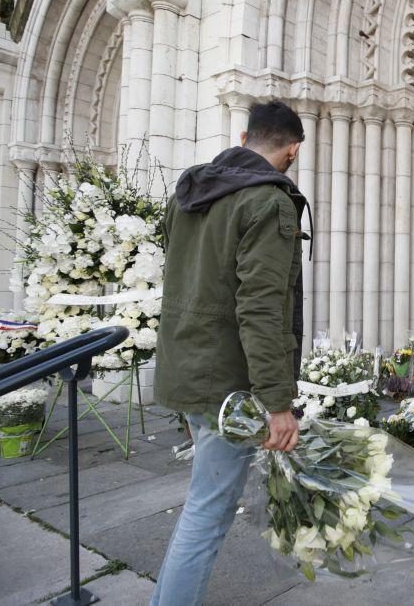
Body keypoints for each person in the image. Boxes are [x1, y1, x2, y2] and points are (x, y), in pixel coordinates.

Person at [151, 101, 309, 606]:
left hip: (188, 371)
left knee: (205, 500)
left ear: (244, 137)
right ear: (292, 149)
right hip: (227, 384)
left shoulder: (189, 193)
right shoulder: (267, 201)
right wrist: (278, 403)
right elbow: (261, 308)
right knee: (208, 511)